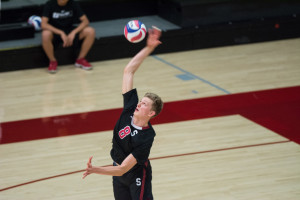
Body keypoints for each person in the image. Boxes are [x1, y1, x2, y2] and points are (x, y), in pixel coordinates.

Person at [82, 27, 163, 200]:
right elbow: (129, 71)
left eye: (144, 104)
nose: (139, 103)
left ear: (151, 113)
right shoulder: (129, 108)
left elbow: (123, 168)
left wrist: (94, 169)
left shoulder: (147, 137)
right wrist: (149, 48)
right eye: (141, 101)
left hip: (136, 175)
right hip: (117, 173)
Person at [41, 0, 95, 73]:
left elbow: (86, 21)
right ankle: (53, 61)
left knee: (90, 31)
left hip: (69, 30)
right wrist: (60, 32)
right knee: (45, 34)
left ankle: (80, 59)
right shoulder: (50, 4)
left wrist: (73, 32)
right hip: (55, 31)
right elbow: (43, 24)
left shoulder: (73, 3)